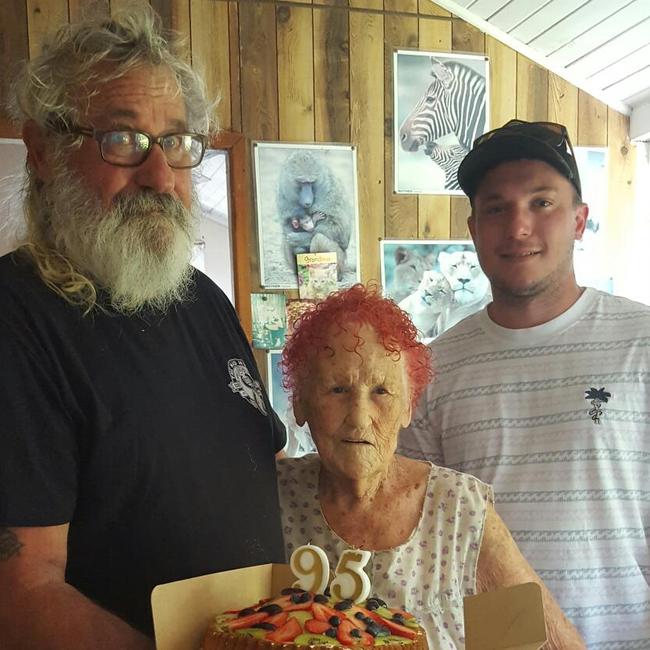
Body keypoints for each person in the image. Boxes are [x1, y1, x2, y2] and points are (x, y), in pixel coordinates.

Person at [0, 8, 285, 649]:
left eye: (177, 143)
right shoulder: (15, 320)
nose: (160, 176)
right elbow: (19, 593)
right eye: (123, 140)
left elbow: (260, 471)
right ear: (44, 152)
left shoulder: (205, 301)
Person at [398, 119, 650, 646]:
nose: (517, 227)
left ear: (580, 220)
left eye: (541, 202)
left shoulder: (641, 343)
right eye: (496, 208)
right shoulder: (431, 370)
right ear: (473, 230)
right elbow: (420, 540)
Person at [277, 284, 585, 648]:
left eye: (382, 392)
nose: (359, 419)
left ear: (409, 406)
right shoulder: (273, 496)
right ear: (300, 403)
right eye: (337, 390)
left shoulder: (458, 506)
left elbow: (552, 641)